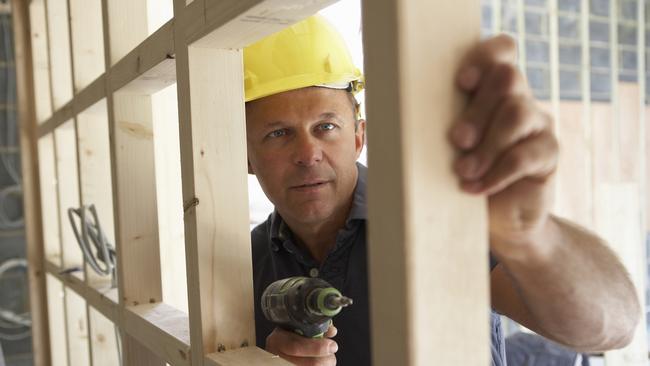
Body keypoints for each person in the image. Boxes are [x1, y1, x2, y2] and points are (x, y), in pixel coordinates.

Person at [245, 15, 640, 366]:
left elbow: (611, 328)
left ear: (359, 137)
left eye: (326, 127)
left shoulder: (433, 219)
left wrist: (531, 237)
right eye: (278, 134)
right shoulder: (244, 264)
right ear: (246, 159)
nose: (308, 154)